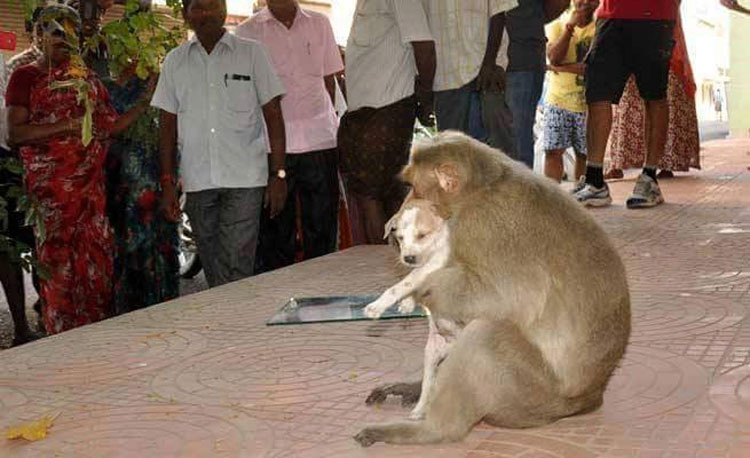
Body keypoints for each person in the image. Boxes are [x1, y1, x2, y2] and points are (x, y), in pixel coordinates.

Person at [151, 0, 287, 288]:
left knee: (238, 266)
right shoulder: (175, 61)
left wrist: (279, 174)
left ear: (224, 9)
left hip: (245, 180)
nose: (206, 14)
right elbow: (166, 127)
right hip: (198, 181)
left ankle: (235, 327)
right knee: (214, 270)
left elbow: (274, 116)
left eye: (213, 5)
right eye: (198, 7)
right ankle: (227, 325)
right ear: (186, 14)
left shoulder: (252, 54)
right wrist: (167, 182)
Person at [5, 4, 117, 334]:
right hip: (52, 200)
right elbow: (15, 134)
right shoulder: (25, 76)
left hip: (90, 195)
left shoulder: (87, 79)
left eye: (69, 31)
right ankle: (63, 345)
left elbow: (107, 125)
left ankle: (96, 341)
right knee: (59, 276)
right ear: (39, 36)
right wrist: (67, 126)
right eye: (53, 31)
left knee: (96, 270)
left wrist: (143, 103)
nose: (61, 38)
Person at [235, 0, 344, 273]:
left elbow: (329, 82)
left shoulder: (320, 23)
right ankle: (281, 300)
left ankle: (321, 299)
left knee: (322, 232)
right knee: (276, 237)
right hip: (273, 147)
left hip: (321, 140)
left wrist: (328, 123)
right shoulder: (248, 32)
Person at [337, 0, 435, 245]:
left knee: (374, 195)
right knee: (383, 195)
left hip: (387, 110)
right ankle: (387, 270)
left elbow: (424, 47)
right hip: (363, 115)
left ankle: (380, 272)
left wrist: (425, 97)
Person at [574, 0, 679, 208]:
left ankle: (649, 177)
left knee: (654, 95)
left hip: (655, 16)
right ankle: (595, 180)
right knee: (596, 93)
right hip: (611, 15)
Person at [104, 69, 180, 314]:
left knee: (160, 244)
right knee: (127, 247)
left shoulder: (159, 78)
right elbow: (110, 129)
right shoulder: (100, 86)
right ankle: (129, 312)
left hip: (156, 174)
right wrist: (146, 100)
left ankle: (163, 307)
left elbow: (172, 127)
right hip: (120, 180)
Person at [604, 14, 699, 181]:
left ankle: (663, 164)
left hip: (659, 44)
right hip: (629, 42)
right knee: (625, 108)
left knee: (661, 101)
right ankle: (617, 164)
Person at [423, 0, 518, 155]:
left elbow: (499, 13)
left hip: (485, 71)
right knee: (451, 154)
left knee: (499, 152)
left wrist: (489, 62)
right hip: (446, 74)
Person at [505, 0, 569, 168]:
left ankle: (521, 193)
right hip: (483, 60)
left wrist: (529, 20)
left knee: (518, 139)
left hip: (521, 56)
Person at [543, 0, 598, 183]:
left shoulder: (600, 28)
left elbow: (592, 67)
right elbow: (554, 57)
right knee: (552, 152)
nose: (583, 2)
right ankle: (552, 199)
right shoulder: (559, 23)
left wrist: (561, 67)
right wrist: (569, 28)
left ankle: (580, 193)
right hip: (557, 101)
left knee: (584, 155)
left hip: (589, 104)